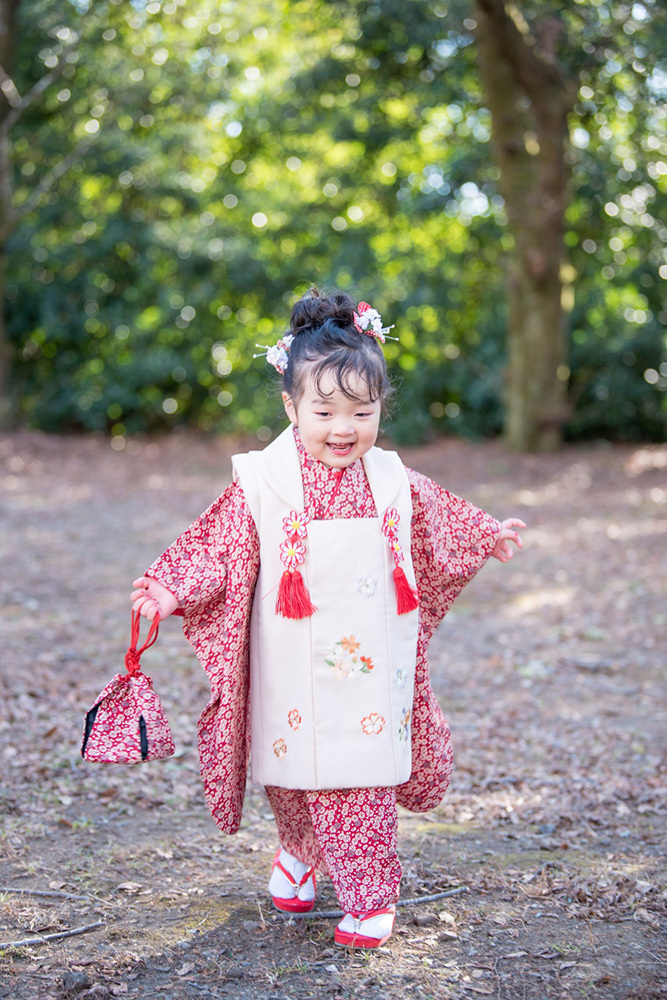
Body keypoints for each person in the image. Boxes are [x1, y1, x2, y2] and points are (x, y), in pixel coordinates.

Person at [130, 287, 525, 949]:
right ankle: (299, 847)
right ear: (290, 405)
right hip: (289, 659)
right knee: (288, 772)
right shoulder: (262, 480)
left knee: (357, 775)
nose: (343, 428)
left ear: (379, 409)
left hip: (366, 663)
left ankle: (370, 897)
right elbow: (221, 544)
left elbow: (438, 520)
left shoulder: (394, 478)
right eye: (324, 410)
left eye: (361, 411)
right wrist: (171, 588)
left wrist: (485, 533)